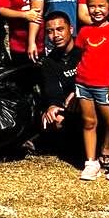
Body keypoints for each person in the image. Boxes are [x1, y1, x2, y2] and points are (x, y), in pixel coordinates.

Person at [73, 0, 109, 180]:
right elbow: (80, 57)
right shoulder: (84, 31)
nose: (96, 10)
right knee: (89, 122)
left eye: (101, 6)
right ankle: (91, 162)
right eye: (92, 6)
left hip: (104, 86)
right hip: (83, 84)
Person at [35, 10, 81, 158]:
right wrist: (52, 106)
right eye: (50, 31)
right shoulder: (49, 61)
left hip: (89, 101)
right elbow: (51, 89)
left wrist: (78, 92)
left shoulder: (84, 51)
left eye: (60, 29)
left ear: (71, 29)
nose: (56, 35)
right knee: (56, 119)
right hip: (68, 108)